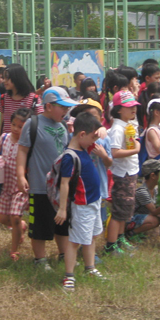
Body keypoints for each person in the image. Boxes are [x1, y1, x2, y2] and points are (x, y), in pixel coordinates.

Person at [16, 86, 77, 269]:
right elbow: (23, 150)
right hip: (40, 185)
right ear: (49, 106)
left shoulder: (62, 126)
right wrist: (20, 175)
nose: (66, 111)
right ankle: (40, 259)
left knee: (62, 224)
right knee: (41, 225)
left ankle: (63, 254)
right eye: (62, 107)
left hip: (60, 186)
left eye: (67, 108)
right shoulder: (33, 124)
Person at [55, 112, 106, 291]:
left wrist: (99, 131)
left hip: (94, 202)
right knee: (75, 241)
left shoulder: (86, 147)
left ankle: (89, 267)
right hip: (82, 205)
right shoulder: (70, 156)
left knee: (91, 237)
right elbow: (64, 183)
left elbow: (103, 132)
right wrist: (62, 209)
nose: (95, 142)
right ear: (82, 135)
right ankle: (69, 275)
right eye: (92, 137)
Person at [105, 90, 141, 256]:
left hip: (131, 171)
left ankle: (120, 238)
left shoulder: (129, 124)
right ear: (119, 109)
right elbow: (115, 152)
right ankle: (111, 245)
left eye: (134, 106)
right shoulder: (117, 128)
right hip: (122, 173)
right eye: (129, 107)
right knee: (119, 211)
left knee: (126, 210)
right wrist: (135, 150)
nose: (133, 110)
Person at [68, 97, 113, 228]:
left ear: (101, 118)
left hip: (99, 186)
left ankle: (90, 242)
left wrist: (104, 156)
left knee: (98, 218)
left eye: (92, 117)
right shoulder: (74, 138)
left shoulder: (104, 139)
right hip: (80, 189)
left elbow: (109, 163)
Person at [0, 108, 31, 261]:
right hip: (6, 184)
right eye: (14, 124)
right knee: (3, 218)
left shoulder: (28, 144)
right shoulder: (4, 138)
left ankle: (14, 250)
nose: (16, 129)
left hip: (20, 186)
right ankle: (21, 226)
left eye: (21, 126)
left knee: (15, 217)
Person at [0, 63, 43, 140]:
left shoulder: (34, 99)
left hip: (26, 144)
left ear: (16, 78)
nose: (4, 81)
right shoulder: (3, 99)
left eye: (7, 78)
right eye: (3, 78)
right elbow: (2, 124)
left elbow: (40, 123)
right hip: (7, 144)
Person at [125, 159, 160, 240]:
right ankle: (131, 233)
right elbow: (154, 211)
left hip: (142, 216)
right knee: (155, 220)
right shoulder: (142, 192)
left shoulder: (155, 189)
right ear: (153, 176)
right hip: (130, 219)